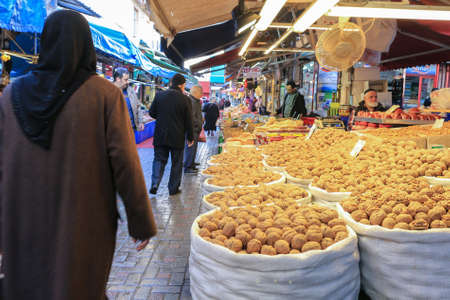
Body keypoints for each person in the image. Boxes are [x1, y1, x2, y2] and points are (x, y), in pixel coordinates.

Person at [0, 10, 157, 300]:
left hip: (22, 224)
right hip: (83, 224)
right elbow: (125, 162)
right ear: (86, 46)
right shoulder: (104, 95)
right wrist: (140, 222)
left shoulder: (10, 97)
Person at [149, 73, 194, 195]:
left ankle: (155, 183)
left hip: (160, 135)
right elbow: (189, 120)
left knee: (159, 159)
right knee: (176, 163)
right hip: (177, 136)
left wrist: (162, 116)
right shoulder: (185, 99)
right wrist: (190, 137)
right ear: (182, 85)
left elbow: (152, 113)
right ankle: (173, 189)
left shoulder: (159, 96)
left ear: (171, 83)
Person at [184, 85, 203, 174]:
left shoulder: (196, 101)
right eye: (201, 92)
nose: (202, 94)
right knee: (190, 148)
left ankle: (191, 163)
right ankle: (188, 167)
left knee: (193, 148)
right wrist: (197, 124)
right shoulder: (191, 101)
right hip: (192, 129)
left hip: (195, 128)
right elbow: (191, 117)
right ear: (195, 92)